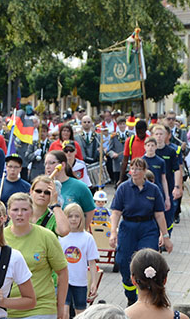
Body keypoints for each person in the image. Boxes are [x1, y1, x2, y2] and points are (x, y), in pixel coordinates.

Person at [109, 157, 171, 305]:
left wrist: (165, 236)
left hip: (147, 227)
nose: (135, 172)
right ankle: (131, 296)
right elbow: (116, 212)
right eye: (132, 168)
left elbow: (159, 214)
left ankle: (147, 295)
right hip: (128, 227)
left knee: (148, 260)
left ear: (144, 171)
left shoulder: (153, 190)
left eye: (138, 169)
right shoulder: (123, 188)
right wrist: (113, 232)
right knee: (124, 261)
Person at [55, 203, 99, 319]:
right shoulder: (60, 237)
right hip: (64, 282)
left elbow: (92, 263)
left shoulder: (87, 238)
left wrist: (94, 282)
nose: (73, 220)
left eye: (77, 216)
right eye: (70, 216)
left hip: (80, 282)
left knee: (81, 318)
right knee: (63, 315)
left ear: (82, 218)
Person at [46, 150, 95, 223]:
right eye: (46, 164)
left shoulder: (80, 187)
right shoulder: (43, 186)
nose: (47, 167)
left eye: (51, 163)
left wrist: (82, 228)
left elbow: (89, 211)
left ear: (62, 165)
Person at [118, 119, 149, 184]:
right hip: (133, 173)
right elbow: (125, 160)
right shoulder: (130, 140)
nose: (140, 135)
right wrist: (121, 179)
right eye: (138, 132)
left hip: (147, 173)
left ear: (145, 130)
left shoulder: (150, 141)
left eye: (142, 133)